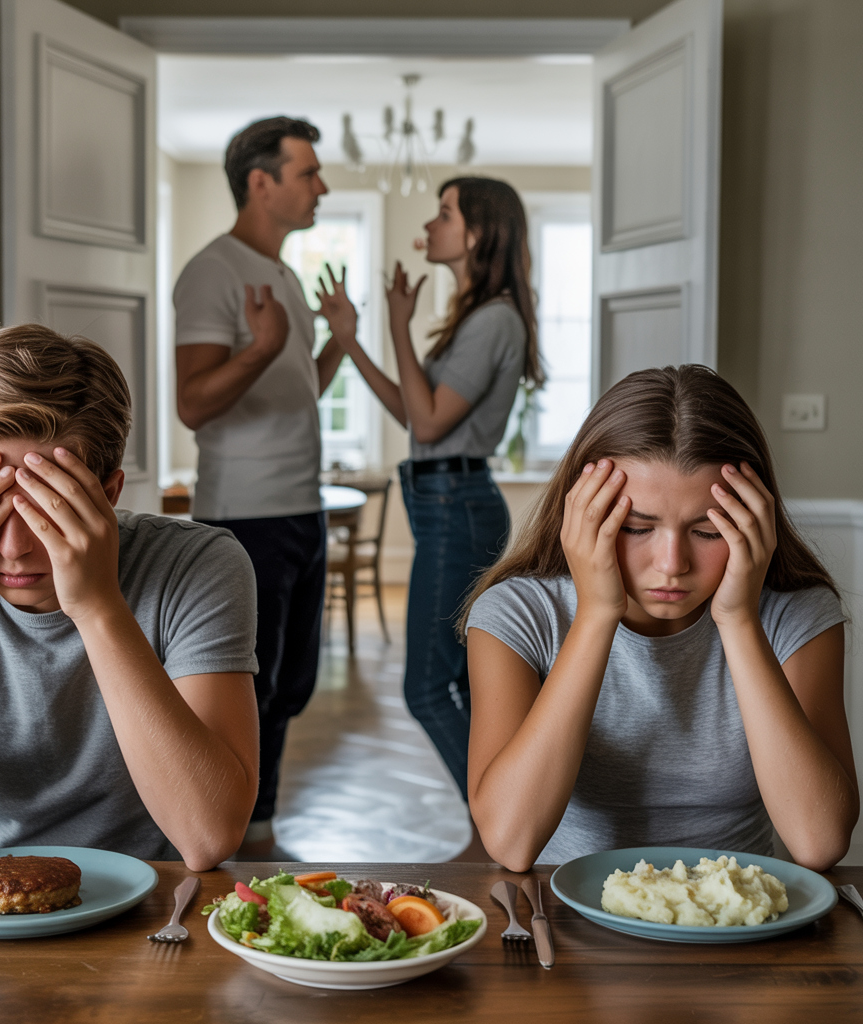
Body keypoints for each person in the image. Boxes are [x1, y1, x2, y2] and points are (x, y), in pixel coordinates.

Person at [0, 325, 260, 871]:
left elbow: (208, 835)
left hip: (158, 901)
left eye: (42, 508)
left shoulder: (197, 564)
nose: (12, 549)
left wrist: (98, 606)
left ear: (109, 493)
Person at [463, 365, 858, 873]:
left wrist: (739, 620)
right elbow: (510, 841)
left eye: (707, 532)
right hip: (565, 914)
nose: (672, 564)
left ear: (754, 521)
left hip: (740, 914)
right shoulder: (517, 614)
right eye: (636, 527)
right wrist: (596, 615)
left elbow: (819, 841)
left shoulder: (796, 614)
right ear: (582, 515)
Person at [316, 177, 542, 800]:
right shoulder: (477, 317)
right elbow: (413, 413)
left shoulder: (494, 320)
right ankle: (500, 819)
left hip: (455, 506)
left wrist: (397, 325)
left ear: (477, 233)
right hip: (447, 502)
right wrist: (348, 339)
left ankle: (497, 817)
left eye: (444, 213)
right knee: (462, 682)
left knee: (426, 689)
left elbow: (432, 421)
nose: (429, 226)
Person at [172, 117, 344, 853]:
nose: (321, 187)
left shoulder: (287, 278)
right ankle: (237, 832)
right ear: (260, 182)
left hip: (302, 506)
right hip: (245, 516)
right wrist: (262, 348)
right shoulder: (212, 272)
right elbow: (193, 402)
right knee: (252, 683)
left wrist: (338, 340)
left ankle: (261, 820)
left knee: (293, 683)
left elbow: (297, 389)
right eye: (308, 172)